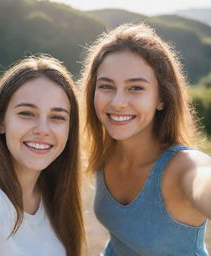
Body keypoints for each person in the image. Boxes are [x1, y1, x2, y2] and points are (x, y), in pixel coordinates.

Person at [81, 23, 211, 255]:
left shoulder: (184, 168)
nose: (117, 102)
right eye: (106, 86)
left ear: (161, 98)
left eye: (136, 88)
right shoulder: (106, 152)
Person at [0, 55, 84, 256]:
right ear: (1, 122)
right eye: (26, 113)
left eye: (57, 117)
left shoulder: (55, 199)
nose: (42, 129)